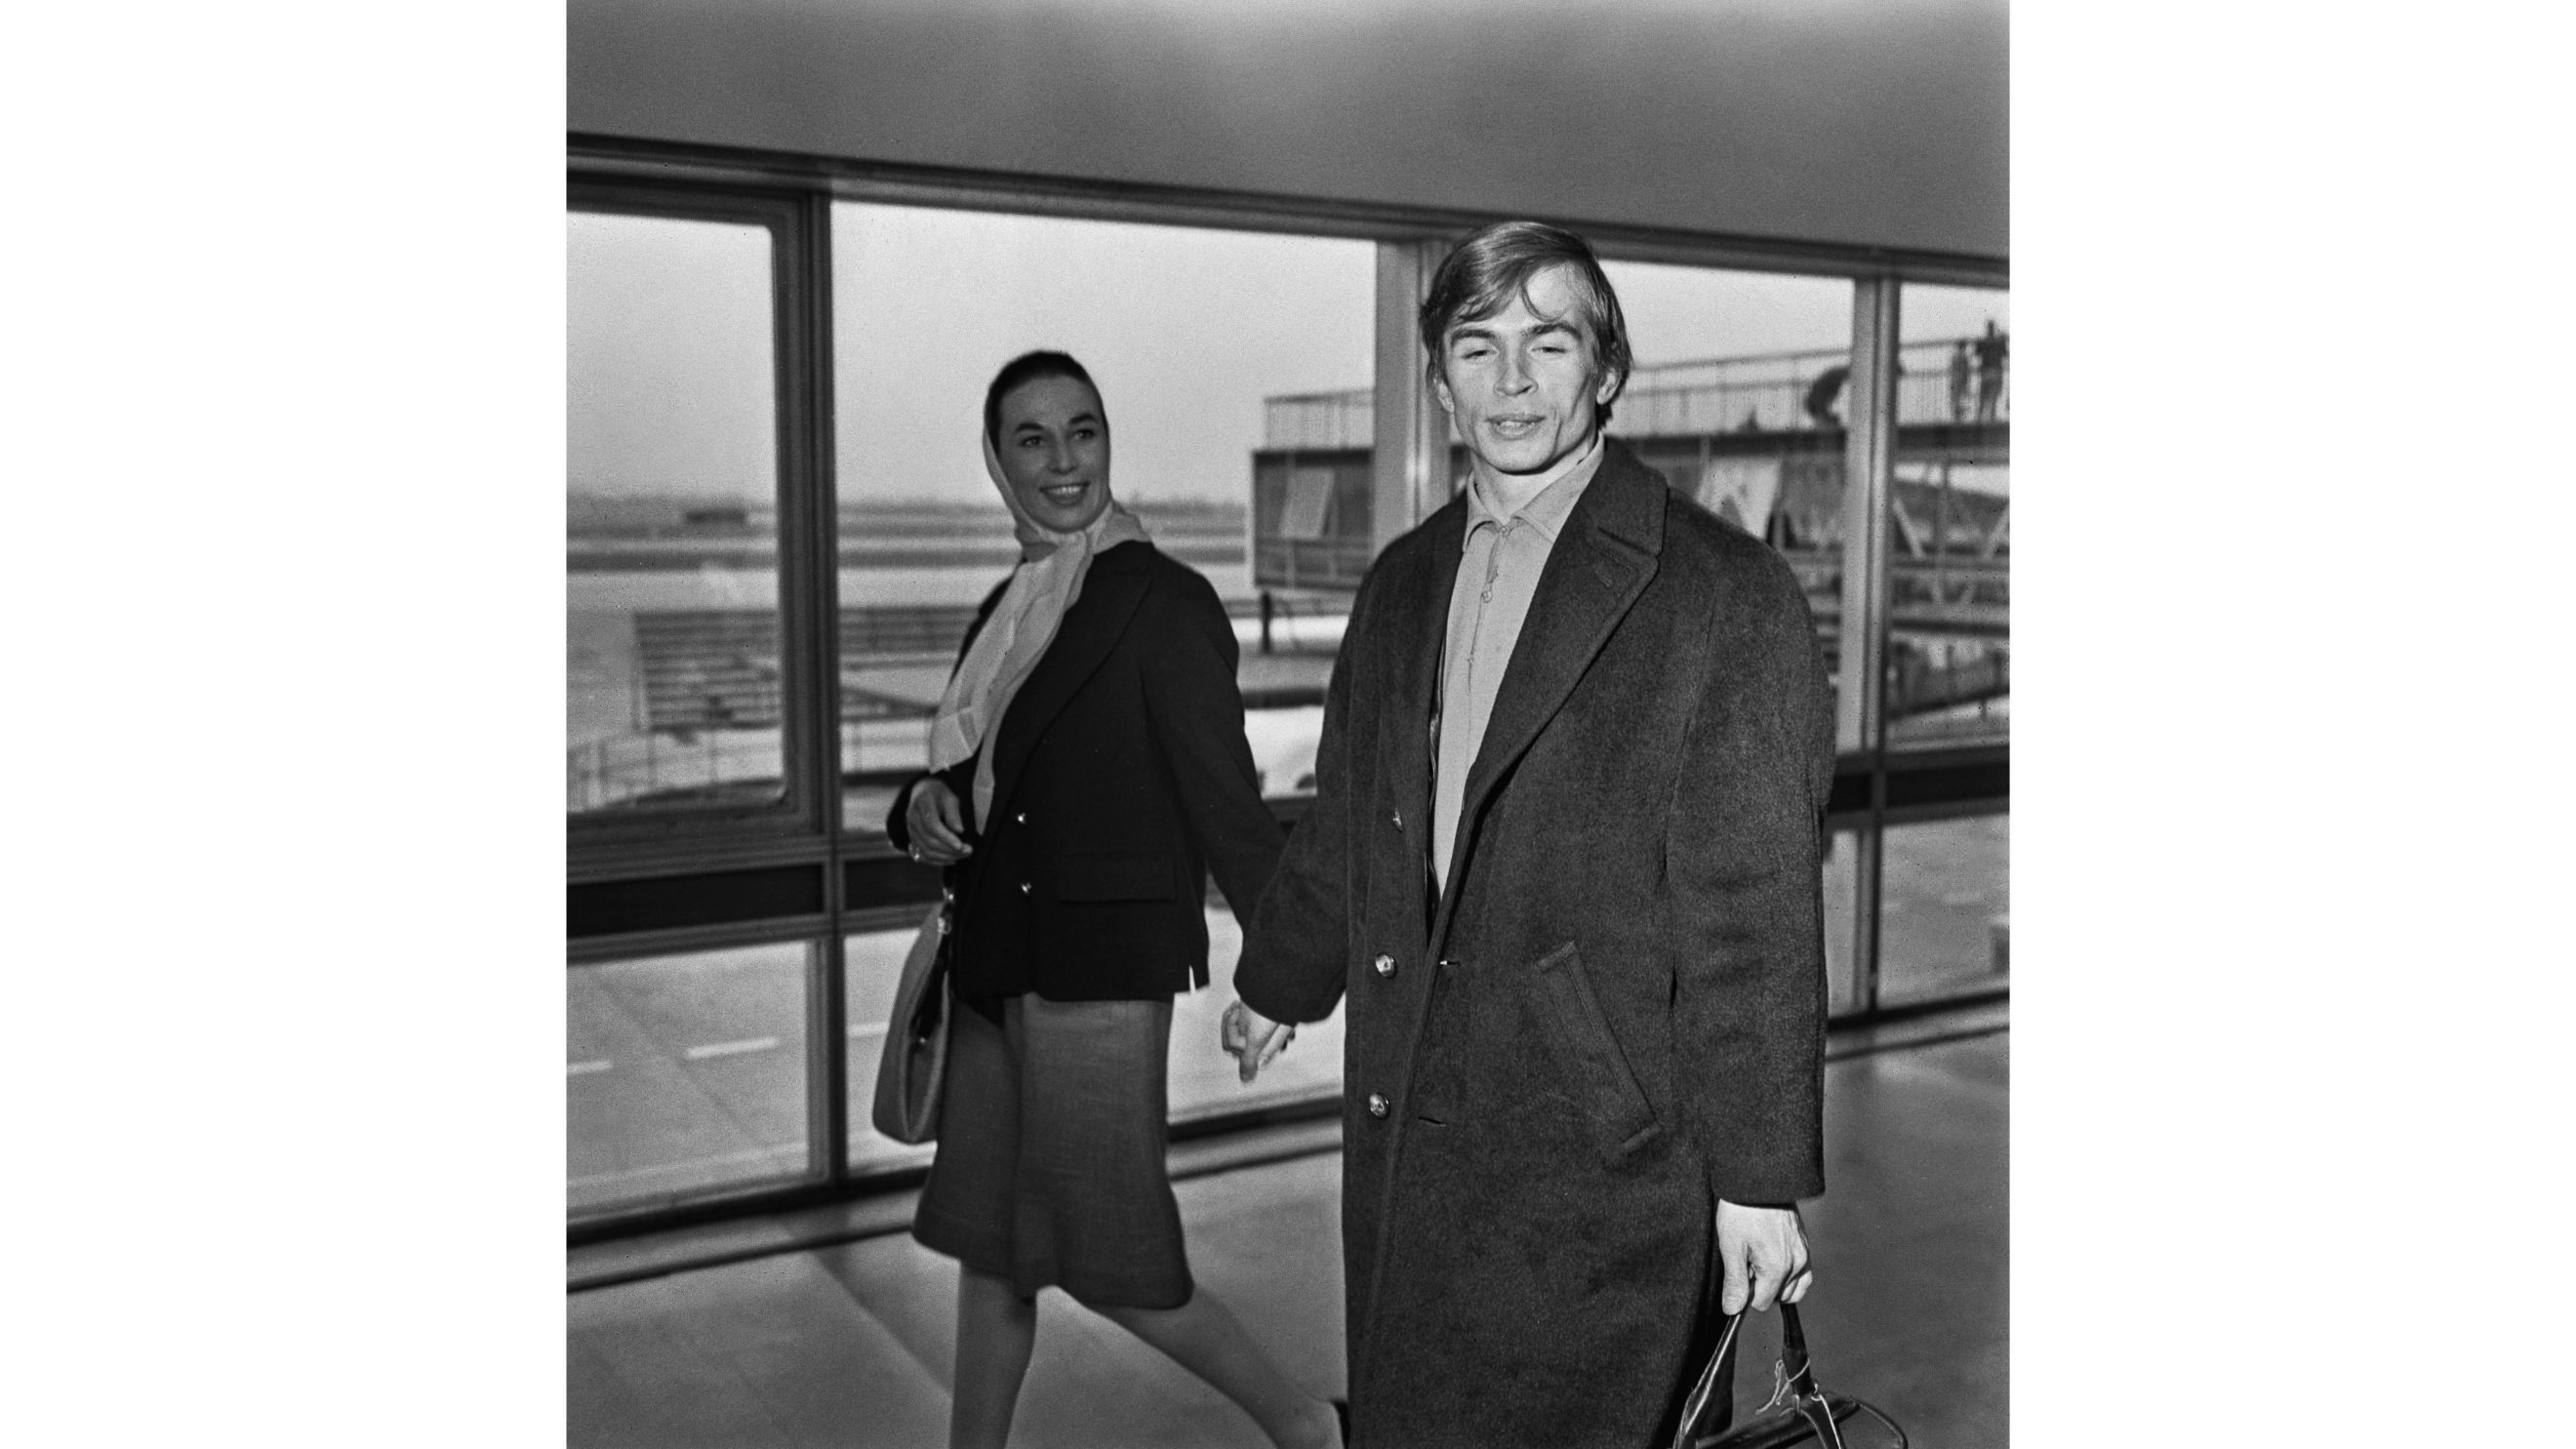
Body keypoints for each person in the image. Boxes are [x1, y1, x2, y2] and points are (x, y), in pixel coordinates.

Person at [1226, 221, 1835, 1447]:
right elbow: (1354, 806)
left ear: (1605, 371)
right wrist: (1282, 979)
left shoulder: (1719, 593)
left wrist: (1758, 1180)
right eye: (1478, 347)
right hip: (1414, 1096)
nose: (1512, 382)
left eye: (1547, 344)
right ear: (1441, 382)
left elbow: (1753, 912)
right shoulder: (1402, 582)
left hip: (1604, 1141)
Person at [889, 351, 1343, 1449]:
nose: (1061, 459)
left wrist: (1284, 970)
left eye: (1081, 431)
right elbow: (995, 777)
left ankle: (1307, 1426)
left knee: (1113, 1258)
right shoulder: (1014, 602)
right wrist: (918, 807)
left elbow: (1225, 802)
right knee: (994, 1253)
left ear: (1106, 442)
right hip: (995, 966)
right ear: (996, 459)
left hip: (1097, 977)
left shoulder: (1160, 599)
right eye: (1032, 438)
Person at [1973, 319, 2008, 422]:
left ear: (1987, 328)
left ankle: (1979, 417)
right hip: (1996, 370)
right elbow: (2005, 354)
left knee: (1983, 395)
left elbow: (1976, 353)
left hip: (1985, 370)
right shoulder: (1999, 342)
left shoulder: (1982, 341)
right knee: (1993, 395)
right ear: (1994, 328)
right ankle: (1992, 416)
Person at [1948, 339, 1973, 423]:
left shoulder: (1954, 356)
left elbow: (1952, 368)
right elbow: (1966, 370)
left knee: (1955, 400)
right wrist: (1967, 382)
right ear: (1964, 347)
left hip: (1954, 379)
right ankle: (1959, 419)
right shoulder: (1964, 356)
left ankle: (1956, 418)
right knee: (1960, 400)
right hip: (1961, 379)